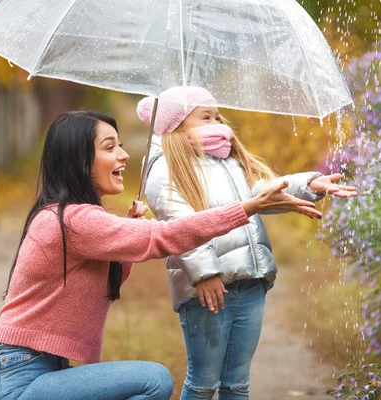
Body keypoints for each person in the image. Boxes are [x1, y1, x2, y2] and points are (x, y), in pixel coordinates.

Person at [0, 110, 322, 400]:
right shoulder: (71, 219)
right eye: (109, 147)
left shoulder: (75, 217)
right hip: (21, 379)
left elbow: (109, 277)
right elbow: (164, 236)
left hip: (39, 370)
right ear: (79, 160)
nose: (123, 155)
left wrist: (127, 236)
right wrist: (247, 208)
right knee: (153, 380)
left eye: (122, 144)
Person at [139, 87, 357, 400]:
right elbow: (179, 225)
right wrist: (204, 272)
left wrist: (308, 184)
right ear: (178, 124)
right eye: (206, 117)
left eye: (217, 115)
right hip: (207, 289)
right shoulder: (166, 169)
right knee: (203, 383)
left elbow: (262, 191)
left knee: (237, 383)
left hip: (250, 282)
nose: (217, 122)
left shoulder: (227, 160)